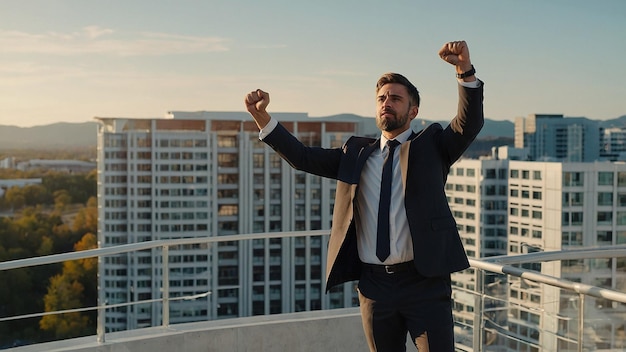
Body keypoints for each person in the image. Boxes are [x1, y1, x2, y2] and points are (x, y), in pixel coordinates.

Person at [244, 40, 483, 351]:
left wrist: (464, 71)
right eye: (381, 98)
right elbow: (302, 156)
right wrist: (261, 117)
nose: (386, 102)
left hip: (424, 282)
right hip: (374, 286)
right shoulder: (356, 154)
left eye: (395, 98)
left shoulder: (432, 145)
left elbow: (469, 124)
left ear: (413, 110)